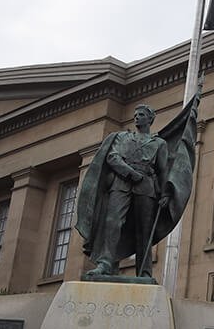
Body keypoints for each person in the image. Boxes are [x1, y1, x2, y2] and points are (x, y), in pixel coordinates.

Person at [76, 94, 198, 281]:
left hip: (146, 187)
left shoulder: (159, 144)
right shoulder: (121, 137)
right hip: (122, 183)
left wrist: (165, 192)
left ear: (150, 119)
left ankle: (145, 270)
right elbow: (112, 157)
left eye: (141, 115)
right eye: (136, 115)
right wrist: (130, 173)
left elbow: (163, 170)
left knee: (144, 230)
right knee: (112, 222)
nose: (136, 118)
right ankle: (105, 263)